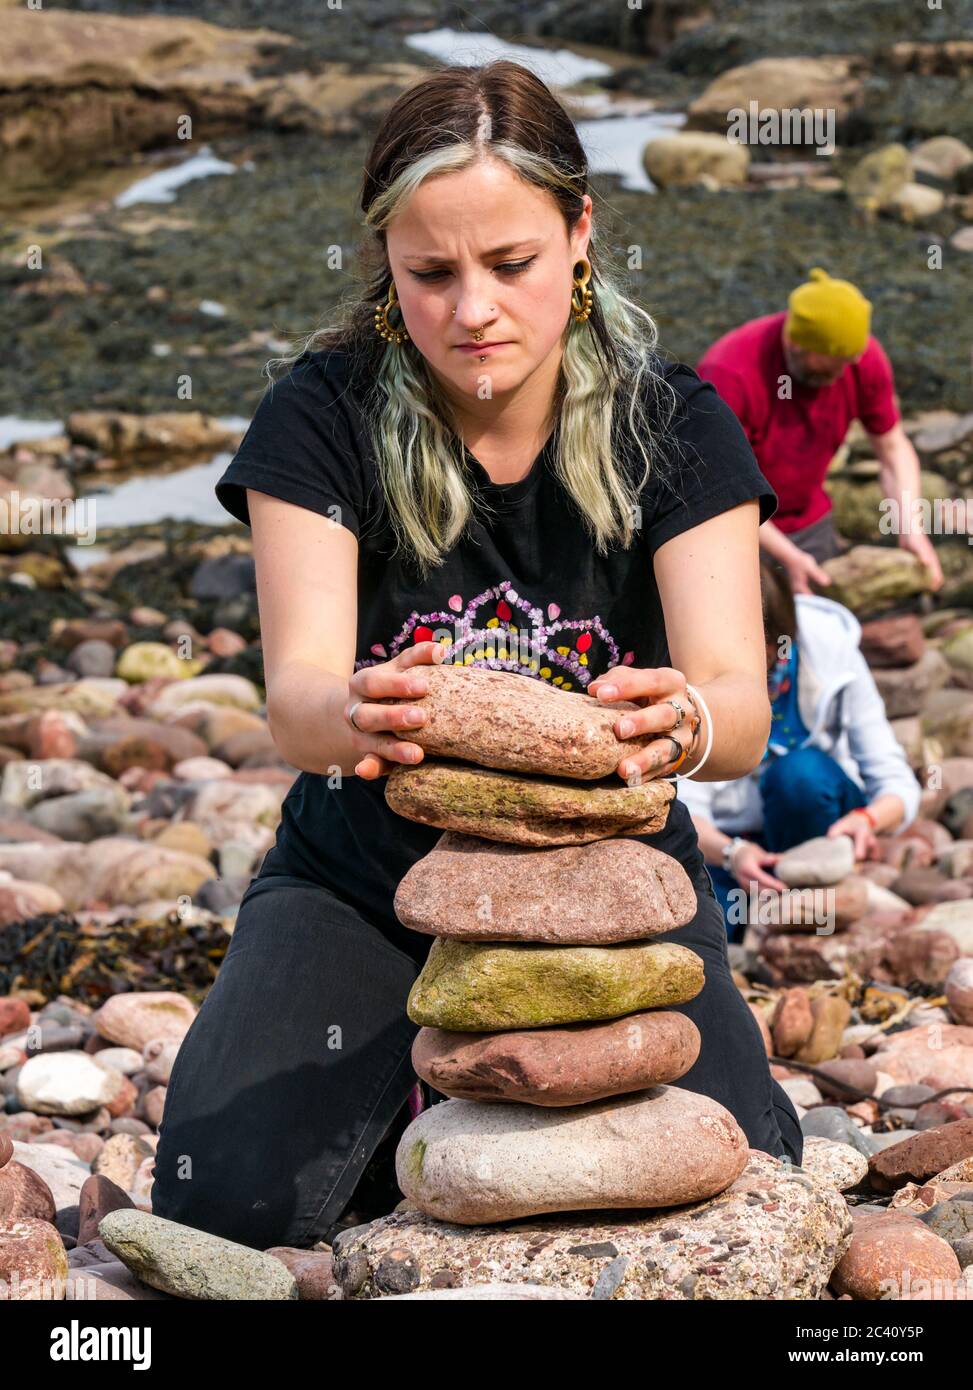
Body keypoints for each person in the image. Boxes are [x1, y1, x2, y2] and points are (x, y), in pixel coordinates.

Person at [151, 59, 804, 1253]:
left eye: (511, 264)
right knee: (223, 1201)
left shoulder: (676, 424)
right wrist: (357, 712)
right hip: (360, 872)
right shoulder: (322, 413)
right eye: (430, 272)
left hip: (608, 891)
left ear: (580, 232)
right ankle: (417, 1083)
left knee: (737, 1163)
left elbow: (733, 706)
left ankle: (461, 1093)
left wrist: (686, 724)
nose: (474, 311)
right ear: (385, 262)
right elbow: (294, 701)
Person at [678, 555, 922, 943]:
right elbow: (686, 804)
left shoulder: (829, 646)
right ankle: (767, 915)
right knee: (711, 934)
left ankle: (805, 895)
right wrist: (733, 853)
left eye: (769, 654)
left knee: (800, 774)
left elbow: (895, 780)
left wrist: (869, 820)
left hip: (815, 813)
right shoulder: (693, 667)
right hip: (734, 844)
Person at [697, 268, 943, 597]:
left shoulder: (860, 359)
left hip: (810, 519)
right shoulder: (729, 373)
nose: (844, 373)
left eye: (849, 361)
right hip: (733, 527)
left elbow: (893, 449)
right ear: (794, 343)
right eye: (833, 363)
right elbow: (717, 490)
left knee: (826, 620)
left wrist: (910, 527)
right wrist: (787, 556)